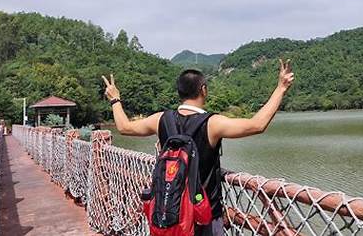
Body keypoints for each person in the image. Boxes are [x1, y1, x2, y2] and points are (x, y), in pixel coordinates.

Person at [102, 59, 294, 235]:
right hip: (204, 215)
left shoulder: (161, 119)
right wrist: (281, 88)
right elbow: (257, 125)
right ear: (203, 90)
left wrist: (115, 99)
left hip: (170, 212)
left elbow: (124, 127)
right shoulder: (212, 123)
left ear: (179, 92)